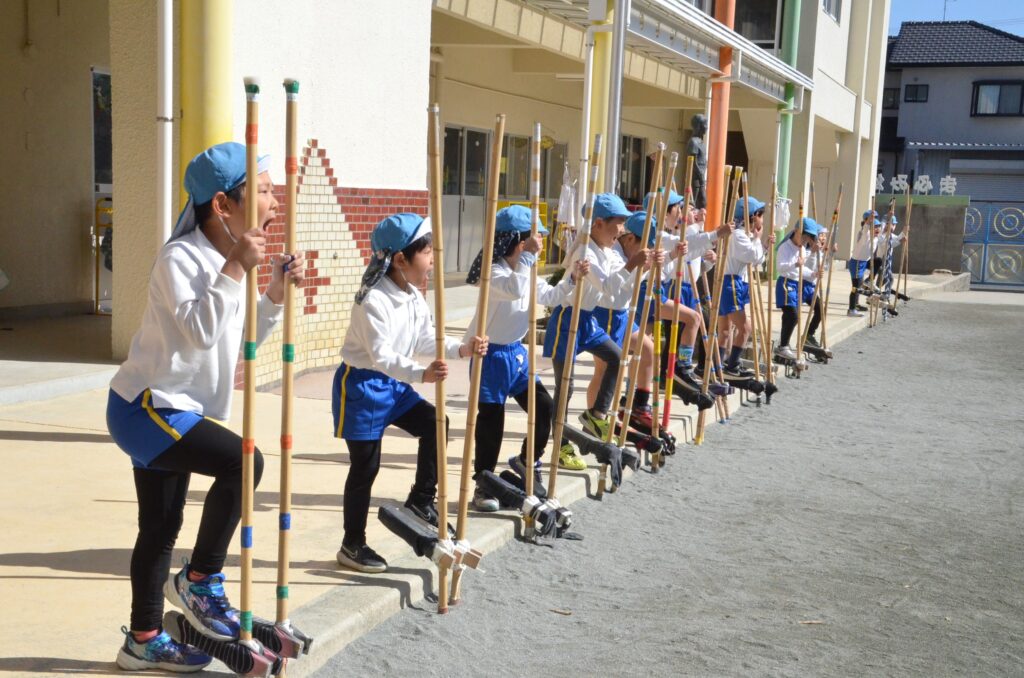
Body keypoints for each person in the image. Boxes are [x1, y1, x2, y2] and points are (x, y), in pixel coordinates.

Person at [106, 142, 305, 671]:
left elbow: (237, 341)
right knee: (246, 461)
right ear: (223, 205)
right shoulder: (182, 258)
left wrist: (274, 296)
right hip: (145, 406)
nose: (273, 204)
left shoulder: (226, 260)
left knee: (160, 526)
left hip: (175, 412)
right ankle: (200, 582)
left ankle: (143, 640)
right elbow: (197, 332)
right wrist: (238, 268)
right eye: (262, 191)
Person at [333, 213, 487, 573]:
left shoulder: (413, 295)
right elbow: (382, 356)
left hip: (394, 385)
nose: (433, 257)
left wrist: (462, 349)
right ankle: (352, 543)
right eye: (427, 250)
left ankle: (421, 499)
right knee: (365, 467)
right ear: (400, 259)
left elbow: (424, 339)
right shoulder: (371, 300)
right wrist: (422, 373)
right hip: (363, 385)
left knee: (437, 424)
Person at [464, 205, 586, 509]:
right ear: (518, 242)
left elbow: (549, 296)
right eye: (534, 240)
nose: (540, 245)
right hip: (489, 355)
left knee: (543, 406)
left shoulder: (526, 269)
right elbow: (514, 288)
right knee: (492, 422)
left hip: (516, 354)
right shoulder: (494, 271)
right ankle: (484, 484)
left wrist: (571, 279)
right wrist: (529, 257)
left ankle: (527, 459)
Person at [543, 193, 642, 443]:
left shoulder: (609, 251)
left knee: (617, 358)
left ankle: (596, 414)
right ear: (598, 223)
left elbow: (620, 288)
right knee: (565, 386)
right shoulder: (584, 251)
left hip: (588, 319)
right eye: (618, 222)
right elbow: (607, 286)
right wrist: (632, 266)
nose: (621, 230)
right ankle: (560, 441)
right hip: (568, 319)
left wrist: (643, 267)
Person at [718, 196, 774, 379]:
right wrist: (758, 240)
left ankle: (718, 365)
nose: (762, 219)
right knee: (745, 328)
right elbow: (752, 256)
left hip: (736, 282)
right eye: (760, 215)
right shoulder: (738, 235)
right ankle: (731, 364)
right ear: (752, 216)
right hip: (731, 282)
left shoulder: (744, 235)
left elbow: (758, 258)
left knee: (726, 329)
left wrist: (762, 245)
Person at [774, 217, 824, 361]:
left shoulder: (802, 249)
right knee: (792, 315)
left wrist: (813, 274)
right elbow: (780, 267)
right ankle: (783, 346)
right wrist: (795, 264)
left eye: (808, 238)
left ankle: (783, 345)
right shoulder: (785, 247)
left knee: (790, 316)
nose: (805, 240)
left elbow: (802, 270)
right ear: (796, 231)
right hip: (785, 283)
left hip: (796, 284)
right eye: (804, 235)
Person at [847, 210, 881, 317]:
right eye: (875, 227)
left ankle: (868, 282)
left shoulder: (876, 238)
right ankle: (851, 309)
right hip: (857, 263)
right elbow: (866, 228)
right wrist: (869, 221)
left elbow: (885, 228)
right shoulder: (864, 235)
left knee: (878, 261)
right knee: (856, 287)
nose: (877, 229)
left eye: (878, 227)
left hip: (865, 261)